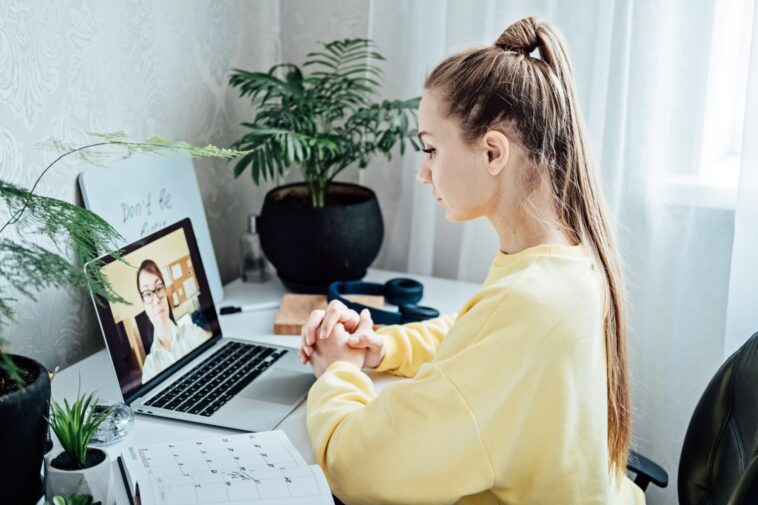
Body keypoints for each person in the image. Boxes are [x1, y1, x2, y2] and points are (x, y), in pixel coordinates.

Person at [298, 16, 645, 505]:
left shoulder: (529, 302)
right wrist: (382, 346)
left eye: (431, 149)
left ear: (493, 152)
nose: (423, 173)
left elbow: (358, 469)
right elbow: (473, 331)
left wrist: (338, 373)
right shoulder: (567, 262)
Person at [137, 259, 211, 383]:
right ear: (144, 304)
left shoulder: (193, 333)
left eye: (159, 288)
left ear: (166, 293)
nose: (156, 300)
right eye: (148, 294)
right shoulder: (149, 370)